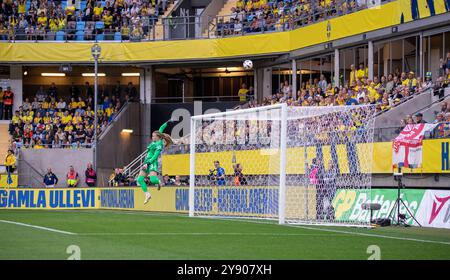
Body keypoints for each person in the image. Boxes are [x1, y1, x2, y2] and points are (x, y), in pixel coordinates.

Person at [137, 120, 174, 204]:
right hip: (146, 161)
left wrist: (148, 163)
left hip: (152, 162)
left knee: (153, 180)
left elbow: (155, 156)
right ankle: (147, 194)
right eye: (152, 136)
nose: (152, 137)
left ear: (157, 137)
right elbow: (161, 128)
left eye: (153, 136)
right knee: (140, 179)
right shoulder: (155, 140)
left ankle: (159, 182)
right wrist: (168, 122)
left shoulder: (159, 144)